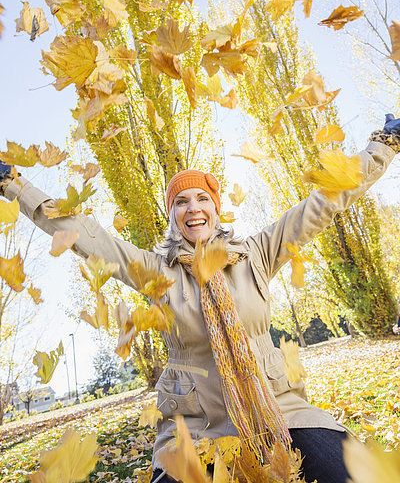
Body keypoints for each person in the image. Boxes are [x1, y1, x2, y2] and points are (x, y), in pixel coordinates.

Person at [1, 115, 400, 483]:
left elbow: (325, 201)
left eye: (202, 199)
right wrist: (14, 185)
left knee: (353, 474)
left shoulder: (256, 252)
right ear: (172, 214)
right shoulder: (155, 270)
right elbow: (84, 233)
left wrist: (384, 144)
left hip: (280, 410)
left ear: (216, 208)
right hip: (195, 427)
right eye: (181, 202)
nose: (193, 209)